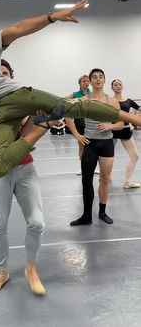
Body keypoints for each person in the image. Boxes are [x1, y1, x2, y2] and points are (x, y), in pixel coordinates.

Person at [0, 1, 141, 179]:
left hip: (15, 96)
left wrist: (53, 17)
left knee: (71, 108)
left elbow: (19, 28)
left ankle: (134, 118)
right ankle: (43, 125)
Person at [0, 59, 45, 295]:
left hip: (25, 169)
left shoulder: (26, 105)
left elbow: (28, 140)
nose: (2, 77)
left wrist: (37, 121)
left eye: (5, 73)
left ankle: (31, 268)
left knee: (37, 222)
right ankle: (3, 271)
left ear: (12, 76)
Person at [68, 69, 124, 226]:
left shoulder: (112, 101)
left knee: (105, 179)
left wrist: (109, 125)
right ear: (90, 81)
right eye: (94, 77)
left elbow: (121, 123)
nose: (98, 79)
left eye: (101, 77)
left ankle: (102, 212)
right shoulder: (84, 100)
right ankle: (86, 216)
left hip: (106, 144)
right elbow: (68, 116)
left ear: (104, 80)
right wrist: (77, 135)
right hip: (90, 143)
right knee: (86, 180)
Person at [111, 79, 141, 189]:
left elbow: (139, 108)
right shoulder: (109, 100)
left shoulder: (128, 101)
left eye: (119, 84)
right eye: (115, 85)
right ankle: (106, 174)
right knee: (107, 156)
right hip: (112, 130)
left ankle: (127, 181)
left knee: (135, 156)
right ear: (112, 88)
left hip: (125, 130)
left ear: (122, 86)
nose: (118, 86)